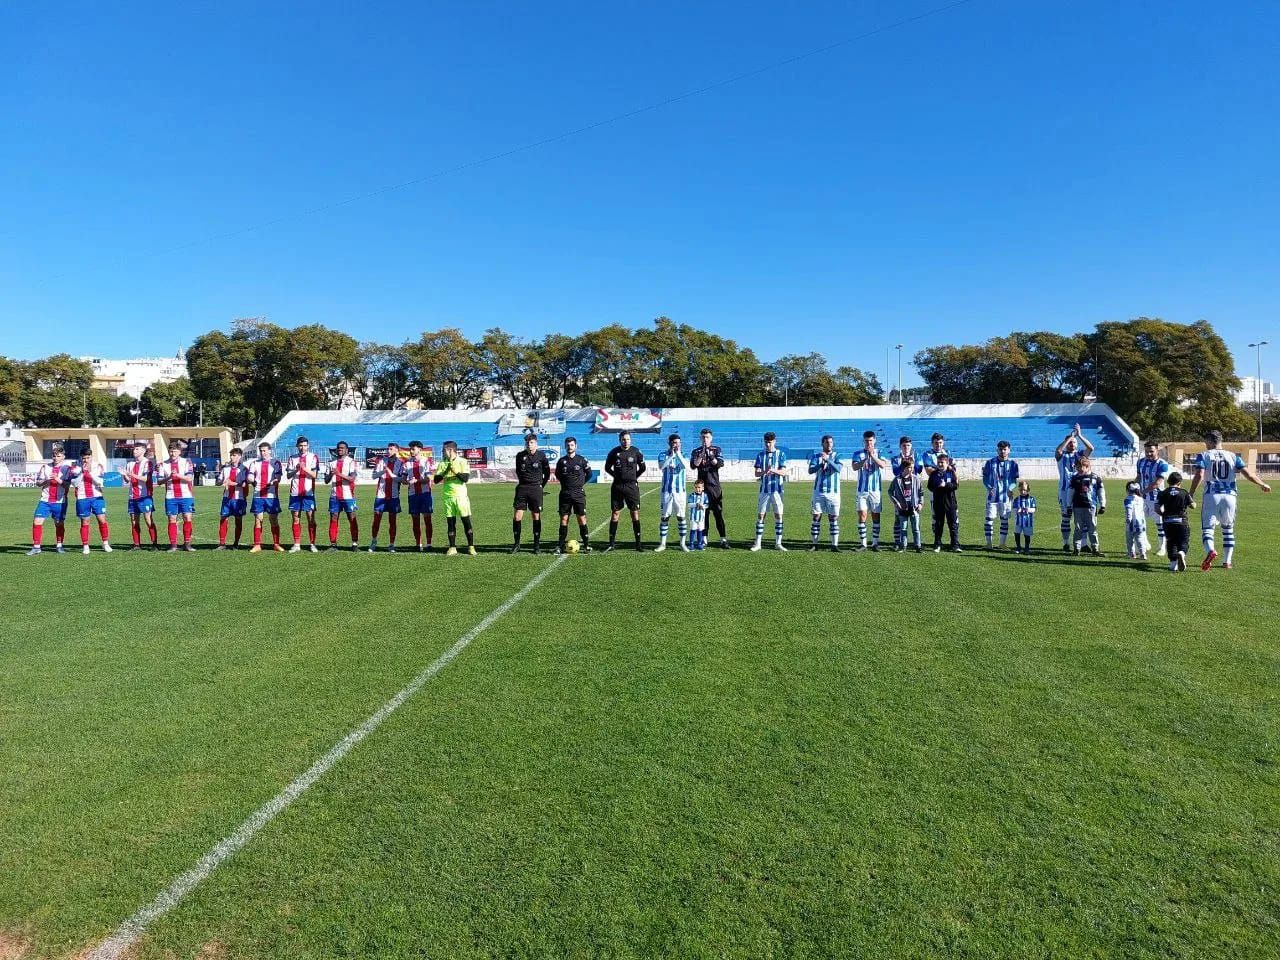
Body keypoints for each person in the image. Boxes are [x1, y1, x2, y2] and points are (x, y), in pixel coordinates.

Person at [1188, 429, 1271, 570]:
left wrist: (1191, 493)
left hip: (1211, 495)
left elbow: (1199, 475)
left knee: (1208, 529)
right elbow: (1247, 474)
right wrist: (1262, 484)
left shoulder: (1204, 455)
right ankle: (1227, 561)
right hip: (1230, 496)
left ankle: (1210, 551)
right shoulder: (1233, 456)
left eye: (1205, 442)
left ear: (1209, 441)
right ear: (1221, 441)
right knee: (1228, 529)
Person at [1055, 423, 1095, 552]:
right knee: (1066, 517)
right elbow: (1058, 451)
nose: (1072, 444)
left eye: (1074, 443)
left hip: (1079, 492)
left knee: (1081, 519)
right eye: (1070, 443)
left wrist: (1079, 435)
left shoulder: (1081, 455)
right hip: (1064, 491)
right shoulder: (1062, 456)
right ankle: (1065, 543)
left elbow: (1091, 448)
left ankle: (1083, 544)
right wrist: (1068, 438)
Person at [604, 430, 646, 552]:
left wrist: (634, 477)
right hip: (617, 486)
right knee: (615, 513)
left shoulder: (636, 452)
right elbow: (607, 468)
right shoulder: (614, 452)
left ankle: (638, 544)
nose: (625, 441)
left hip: (632, 487)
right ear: (620, 440)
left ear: (630, 440)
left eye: (627, 439)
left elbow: (642, 468)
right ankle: (611, 543)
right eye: (623, 439)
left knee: (634, 513)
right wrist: (616, 476)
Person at [434, 440, 476, 555]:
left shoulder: (463, 461)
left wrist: (455, 471)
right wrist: (446, 471)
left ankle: (471, 546)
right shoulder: (442, 463)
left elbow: (465, 478)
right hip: (448, 497)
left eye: (443, 450)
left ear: (450, 450)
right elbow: (436, 480)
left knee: (466, 521)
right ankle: (452, 547)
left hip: (461, 497)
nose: (442, 452)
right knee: (450, 523)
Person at [512, 433, 551, 554]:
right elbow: (518, 471)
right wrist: (524, 482)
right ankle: (517, 544)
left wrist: (540, 486)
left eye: (531, 442)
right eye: (527, 443)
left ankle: (536, 545)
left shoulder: (541, 456)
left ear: (536, 443)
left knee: (536, 516)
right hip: (522, 488)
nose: (529, 445)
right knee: (517, 516)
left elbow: (547, 473)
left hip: (536, 489)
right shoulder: (520, 456)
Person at [690, 428, 729, 548]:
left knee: (718, 514)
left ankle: (723, 539)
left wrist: (711, 456)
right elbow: (693, 466)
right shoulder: (696, 451)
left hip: (714, 487)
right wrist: (701, 456)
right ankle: (704, 539)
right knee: (703, 514)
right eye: (703, 437)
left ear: (711, 438)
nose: (704, 439)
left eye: (707, 437)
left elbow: (719, 464)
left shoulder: (716, 450)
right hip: (701, 488)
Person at [29, 444, 70, 555]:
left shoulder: (67, 469)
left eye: (58, 456)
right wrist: (46, 480)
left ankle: (59, 545)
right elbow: (38, 483)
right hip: (45, 500)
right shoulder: (45, 467)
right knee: (37, 521)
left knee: (59, 524)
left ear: (63, 457)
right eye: (54, 456)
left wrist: (57, 479)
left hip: (60, 501)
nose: (55, 458)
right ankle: (36, 547)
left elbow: (67, 485)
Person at [69, 451, 112, 554]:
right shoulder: (75, 467)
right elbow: (74, 483)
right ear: (81, 458)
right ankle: (85, 545)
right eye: (84, 458)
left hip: (97, 497)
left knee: (102, 520)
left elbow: (101, 482)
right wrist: (82, 473)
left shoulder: (98, 466)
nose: (86, 460)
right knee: (85, 521)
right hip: (82, 498)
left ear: (92, 457)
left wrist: (90, 473)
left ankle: (105, 543)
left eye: (88, 457)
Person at [851, 430, 888, 551]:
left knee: (876, 515)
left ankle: (875, 543)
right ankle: (863, 544)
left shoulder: (880, 452)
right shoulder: (858, 453)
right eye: (866, 441)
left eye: (871, 441)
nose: (869, 443)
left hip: (875, 490)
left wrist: (872, 456)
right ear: (863, 441)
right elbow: (855, 467)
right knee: (862, 514)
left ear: (875, 441)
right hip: (862, 490)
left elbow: (883, 465)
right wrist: (865, 459)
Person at [751, 431, 787, 551]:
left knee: (778, 516)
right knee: (761, 515)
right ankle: (758, 543)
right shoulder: (761, 455)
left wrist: (774, 470)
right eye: (766, 442)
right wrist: (764, 471)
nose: (768, 445)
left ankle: (778, 543)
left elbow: (783, 472)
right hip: (764, 491)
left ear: (774, 441)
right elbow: (756, 473)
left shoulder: (781, 454)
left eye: (770, 442)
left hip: (777, 490)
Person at [158, 440, 196, 552]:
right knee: (172, 519)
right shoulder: (163, 464)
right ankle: (173, 545)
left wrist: (177, 475)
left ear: (179, 452)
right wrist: (169, 477)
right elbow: (159, 481)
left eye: (174, 451)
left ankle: (187, 544)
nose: (172, 454)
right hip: (171, 496)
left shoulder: (186, 462)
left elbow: (190, 478)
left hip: (186, 495)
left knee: (187, 518)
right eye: (170, 451)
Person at [1136, 441, 1172, 556]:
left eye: (1151, 451)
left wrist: (1142, 491)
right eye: (1147, 451)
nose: (1149, 454)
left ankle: (1162, 548)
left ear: (1157, 450)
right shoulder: (1140, 462)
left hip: (1157, 498)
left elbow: (1157, 483)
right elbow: (1139, 477)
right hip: (1141, 498)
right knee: (1138, 521)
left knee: (1160, 524)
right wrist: (1133, 487)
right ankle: (1145, 543)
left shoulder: (1163, 464)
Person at [981, 440, 1019, 550]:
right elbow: (985, 478)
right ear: (997, 450)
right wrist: (989, 488)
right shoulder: (990, 462)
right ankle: (989, 544)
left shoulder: (1013, 464)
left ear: (1009, 450)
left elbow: (1014, 481)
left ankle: (1002, 544)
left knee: (1004, 519)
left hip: (1006, 497)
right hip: (992, 497)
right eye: (1000, 449)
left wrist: (1010, 489)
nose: (1003, 451)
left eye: (1005, 449)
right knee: (989, 519)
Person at [247, 441, 284, 553]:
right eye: (261, 451)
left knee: (273, 520)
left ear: (269, 450)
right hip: (258, 496)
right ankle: (257, 545)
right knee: (258, 519)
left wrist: (273, 482)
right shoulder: (254, 463)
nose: (263, 453)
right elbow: (250, 476)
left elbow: (278, 478)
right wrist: (250, 479)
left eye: (264, 450)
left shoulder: (276, 462)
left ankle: (276, 544)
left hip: (271, 496)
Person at [655, 434, 689, 553]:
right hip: (667, 491)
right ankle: (662, 544)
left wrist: (678, 455)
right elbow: (661, 466)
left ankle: (682, 543)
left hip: (680, 492)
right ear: (669, 443)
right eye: (675, 442)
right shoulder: (663, 454)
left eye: (679, 443)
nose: (677, 445)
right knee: (665, 517)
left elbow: (685, 466)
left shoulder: (684, 455)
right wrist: (671, 456)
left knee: (681, 517)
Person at [807, 434, 842, 552]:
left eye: (831, 442)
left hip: (833, 493)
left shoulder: (838, 455)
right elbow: (810, 470)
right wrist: (820, 464)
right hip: (819, 492)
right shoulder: (816, 456)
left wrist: (828, 460)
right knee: (816, 517)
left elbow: (838, 469)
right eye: (827, 442)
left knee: (833, 518)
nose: (830, 445)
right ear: (822, 444)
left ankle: (834, 545)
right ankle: (814, 544)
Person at [286, 436, 321, 553]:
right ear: (297, 446)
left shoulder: (313, 457)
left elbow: (314, 475)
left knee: (310, 518)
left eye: (305, 445)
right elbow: (288, 476)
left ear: (308, 446)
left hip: (308, 493)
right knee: (296, 518)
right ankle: (296, 544)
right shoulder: (292, 458)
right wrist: (296, 470)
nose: (302, 448)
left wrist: (304, 468)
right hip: (295, 493)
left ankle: (312, 544)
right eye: (300, 445)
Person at [368, 442, 404, 552]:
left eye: (391, 449)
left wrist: (390, 473)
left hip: (393, 496)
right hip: (381, 496)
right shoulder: (381, 461)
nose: (389, 451)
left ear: (397, 450)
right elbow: (374, 476)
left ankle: (391, 544)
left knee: (392, 521)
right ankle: (374, 541)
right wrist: (383, 471)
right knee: (376, 520)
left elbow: (401, 479)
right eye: (388, 449)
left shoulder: (401, 463)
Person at [1068, 455, 1106, 556]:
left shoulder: (1095, 477)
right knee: (1078, 528)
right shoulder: (1074, 478)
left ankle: (1095, 548)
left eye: (1081, 467)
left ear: (1087, 466)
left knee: (1092, 528)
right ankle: (1076, 549)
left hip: (1091, 506)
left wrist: (1103, 505)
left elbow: (1101, 491)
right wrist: (1068, 505)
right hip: (1077, 506)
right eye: (1077, 467)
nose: (1079, 469)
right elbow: (1070, 492)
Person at [326, 440, 360, 551]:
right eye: (338, 448)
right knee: (333, 518)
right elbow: (326, 480)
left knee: (352, 518)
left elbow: (352, 478)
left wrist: (339, 474)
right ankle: (333, 544)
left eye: (342, 448)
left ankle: (354, 544)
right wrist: (331, 474)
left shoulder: (351, 462)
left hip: (348, 496)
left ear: (347, 450)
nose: (340, 450)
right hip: (334, 495)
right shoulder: (331, 462)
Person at [123, 442, 158, 550]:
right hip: (132, 496)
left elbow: (146, 479)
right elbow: (127, 480)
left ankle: (154, 544)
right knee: (134, 520)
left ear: (143, 451)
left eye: (137, 449)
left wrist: (131, 475)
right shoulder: (130, 464)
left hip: (145, 496)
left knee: (148, 519)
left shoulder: (148, 463)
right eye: (134, 449)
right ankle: (136, 544)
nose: (134, 451)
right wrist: (124, 475)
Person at [1157, 471, 1194, 572]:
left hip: (1168, 522)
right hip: (1182, 521)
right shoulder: (1184, 492)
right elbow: (1193, 506)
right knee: (1183, 541)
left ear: (1168, 482)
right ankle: (1182, 553)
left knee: (1171, 542)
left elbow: (1157, 508)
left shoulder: (1163, 493)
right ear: (1179, 482)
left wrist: (1163, 515)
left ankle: (1173, 564)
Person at [404, 440, 435, 552]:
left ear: (420, 449)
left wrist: (416, 480)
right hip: (412, 495)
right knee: (415, 520)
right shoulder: (407, 463)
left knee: (427, 519)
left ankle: (429, 544)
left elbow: (428, 479)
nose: (411, 451)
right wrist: (406, 481)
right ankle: (418, 544)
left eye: (413, 449)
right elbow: (404, 479)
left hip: (425, 494)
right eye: (410, 449)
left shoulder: (427, 461)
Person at [216, 447, 249, 550]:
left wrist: (232, 483)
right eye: (231, 455)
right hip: (226, 498)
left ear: (239, 456)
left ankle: (236, 543)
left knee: (238, 520)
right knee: (223, 518)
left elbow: (244, 484)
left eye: (234, 455)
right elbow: (218, 482)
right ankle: (222, 544)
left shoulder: (244, 469)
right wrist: (221, 482)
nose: (232, 457)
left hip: (239, 498)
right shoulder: (225, 468)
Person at [890, 437, 920, 548]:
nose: (906, 448)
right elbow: (896, 471)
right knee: (898, 518)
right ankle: (898, 542)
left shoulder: (916, 456)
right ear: (900, 446)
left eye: (908, 445)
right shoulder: (895, 458)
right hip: (900, 492)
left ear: (911, 446)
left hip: (913, 492)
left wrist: (912, 461)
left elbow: (919, 469)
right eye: (904, 445)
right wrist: (905, 463)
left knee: (914, 519)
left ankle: (916, 543)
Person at [927, 452, 960, 552]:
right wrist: (937, 486)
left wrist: (946, 484)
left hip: (950, 503)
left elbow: (956, 485)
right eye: (938, 462)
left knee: (953, 525)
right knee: (939, 524)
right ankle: (937, 544)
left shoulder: (951, 472)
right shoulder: (933, 474)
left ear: (947, 463)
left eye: (942, 462)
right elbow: (929, 486)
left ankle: (955, 545)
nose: (940, 464)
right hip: (938, 502)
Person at [887, 460, 923, 552]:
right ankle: (903, 546)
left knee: (916, 529)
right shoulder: (897, 479)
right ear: (904, 468)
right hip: (903, 508)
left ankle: (918, 546)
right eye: (909, 467)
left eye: (912, 467)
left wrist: (920, 503)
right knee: (903, 528)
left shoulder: (916, 479)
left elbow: (921, 492)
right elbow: (890, 491)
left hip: (914, 507)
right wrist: (896, 502)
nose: (911, 469)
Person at [1123, 481, 1149, 561]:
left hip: (1131, 523)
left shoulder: (1128, 499)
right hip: (1141, 523)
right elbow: (1144, 510)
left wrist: (1128, 518)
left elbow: (1129, 509)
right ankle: (1143, 554)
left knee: (1130, 540)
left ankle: (1132, 554)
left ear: (1128, 490)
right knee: (1140, 539)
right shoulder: (1141, 499)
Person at [1012, 480, 1036, 554]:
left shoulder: (1031, 499)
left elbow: (1034, 509)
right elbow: (1014, 509)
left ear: (1028, 490)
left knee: (1027, 535)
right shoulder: (1016, 499)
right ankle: (1018, 547)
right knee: (1017, 533)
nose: (1023, 492)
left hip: (1027, 521)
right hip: (1018, 521)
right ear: (1019, 490)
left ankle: (1027, 548)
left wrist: (1028, 509)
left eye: (1025, 490)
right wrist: (1017, 510)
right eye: (1021, 490)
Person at [687, 479, 709, 550]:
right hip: (693, 517)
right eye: (696, 487)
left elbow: (707, 504)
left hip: (701, 518)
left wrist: (703, 506)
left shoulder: (705, 496)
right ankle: (691, 544)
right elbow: (689, 504)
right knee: (693, 530)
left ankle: (699, 544)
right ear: (694, 487)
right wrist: (696, 504)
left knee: (700, 530)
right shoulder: (691, 495)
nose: (697, 489)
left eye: (699, 487)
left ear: (702, 488)